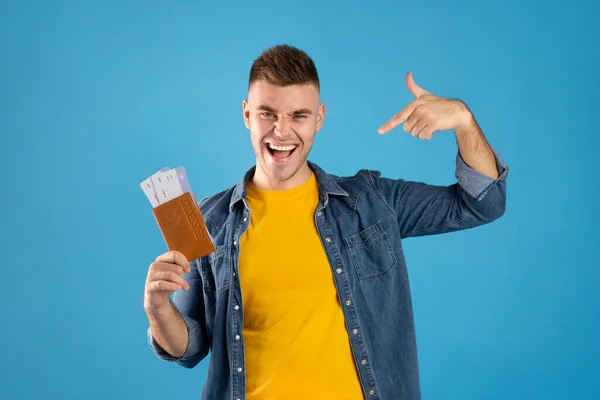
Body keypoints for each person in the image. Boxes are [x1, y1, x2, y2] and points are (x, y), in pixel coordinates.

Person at [143, 44, 509, 400]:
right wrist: (159, 310)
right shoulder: (211, 219)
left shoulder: (370, 202)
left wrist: (463, 119)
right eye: (268, 113)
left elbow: (482, 204)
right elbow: (189, 348)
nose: (281, 132)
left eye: (298, 115)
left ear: (319, 117)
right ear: (247, 115)